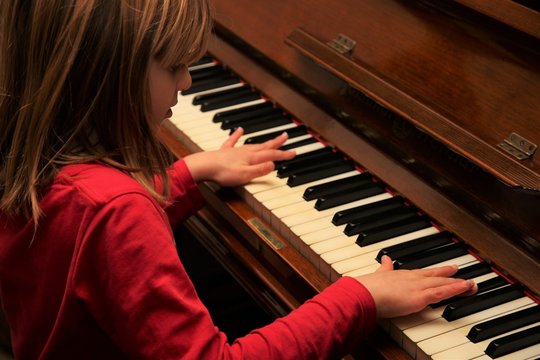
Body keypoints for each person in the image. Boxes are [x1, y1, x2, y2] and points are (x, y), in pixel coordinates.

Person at [0, 1, 477, 359]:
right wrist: (360, 297)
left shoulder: (36, 160)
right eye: (172, 66)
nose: (187, 81)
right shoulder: (118, 209)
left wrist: (190, 171)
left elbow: (89, 231)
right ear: (106, 77)